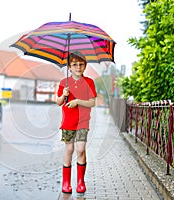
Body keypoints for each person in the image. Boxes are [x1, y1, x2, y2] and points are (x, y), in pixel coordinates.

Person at [56, 51, 97, 194]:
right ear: (69, 67)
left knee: (80, 149)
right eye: (74, 64)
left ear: (85, 66)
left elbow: (92, 102)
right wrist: (63, 95)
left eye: (81, 64)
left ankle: (80, 181)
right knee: (69, 150)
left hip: (82, 122)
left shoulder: (89, 82)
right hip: (68, 122)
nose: (78, 67)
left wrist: (77, 102)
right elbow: (58, 102)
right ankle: (66, 182)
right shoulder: (64, 83)